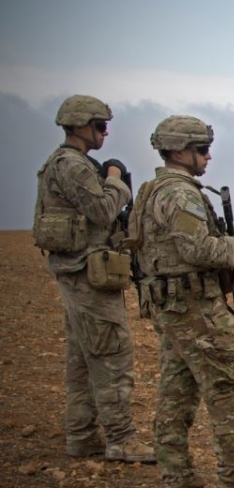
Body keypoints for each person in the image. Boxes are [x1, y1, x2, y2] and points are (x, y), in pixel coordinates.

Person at [129, 115, 234, 488]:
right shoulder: (180, 194)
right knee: (225, 388)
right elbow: (198, 248)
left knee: (177, 387)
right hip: (195, 307)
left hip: (171, 305)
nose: (208, 156)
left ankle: (176, 474)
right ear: (179, 151)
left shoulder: (151, 190)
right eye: (201, 149)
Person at [32, 94, 154, 463]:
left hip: (78, 270)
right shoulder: (73, 165)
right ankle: (121, 438)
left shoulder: (60, 163)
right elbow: (101, 210)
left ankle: (82, 435)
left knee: (82, 358)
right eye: (100, 126)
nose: (104, 133)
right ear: (80, 125)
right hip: (88, 272)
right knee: (111, 354)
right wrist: (116, 180)